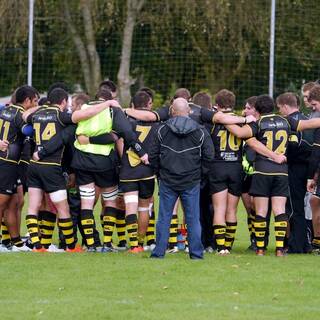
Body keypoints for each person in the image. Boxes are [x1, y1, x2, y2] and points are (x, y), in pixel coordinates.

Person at [24, 88, 113, 252]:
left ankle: (37, 246)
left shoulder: (36, 115)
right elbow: (84, 115)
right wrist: (107, 103)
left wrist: (41, 107)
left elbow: (24, 115)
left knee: (33, 206)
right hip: (51, 167)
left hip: (33, 166)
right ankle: (71, 246)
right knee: (63, 208)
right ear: (64, 102)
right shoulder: (61, 116)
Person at [149, 98, 215, 259]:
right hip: (191, 180)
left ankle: (159, 252)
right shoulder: (200, 131)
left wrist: (159, 173)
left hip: (169, 180)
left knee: (164, 217)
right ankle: (196, 254)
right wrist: (200, 174)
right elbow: (209, 155)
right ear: (189, 111)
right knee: (193, 218)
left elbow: (152, 155)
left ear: (172, 111)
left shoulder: (161, 130)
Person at [0, 85, 39, 252]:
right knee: (2, 204)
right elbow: (29, 130)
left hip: (11, 164)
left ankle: (16, 243)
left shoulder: (4, 110)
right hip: (6, 163)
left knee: (14, 202)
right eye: (35, 101)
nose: (36, 104)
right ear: (27, 101)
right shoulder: (19, 115)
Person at [119, 91, 158, 252]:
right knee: (144, 207)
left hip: (129, 170)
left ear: (133, 106)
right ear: (149, 105)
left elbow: (120, 143)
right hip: (147, 171)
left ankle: (133, 244)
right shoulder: (157, 122)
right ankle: (141, 243)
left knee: (130, 206)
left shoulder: (127, 121)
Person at [276, 92, 313, 253]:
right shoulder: (308, 119)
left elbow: (295, 146)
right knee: (303, 207)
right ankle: (305, 243)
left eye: (279, 108)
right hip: (309, 168)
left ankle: (296, 245)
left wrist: (283, 156)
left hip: (295, 168)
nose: (280, 112)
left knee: (294, 207)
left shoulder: (291, 122)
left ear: (285, 106)